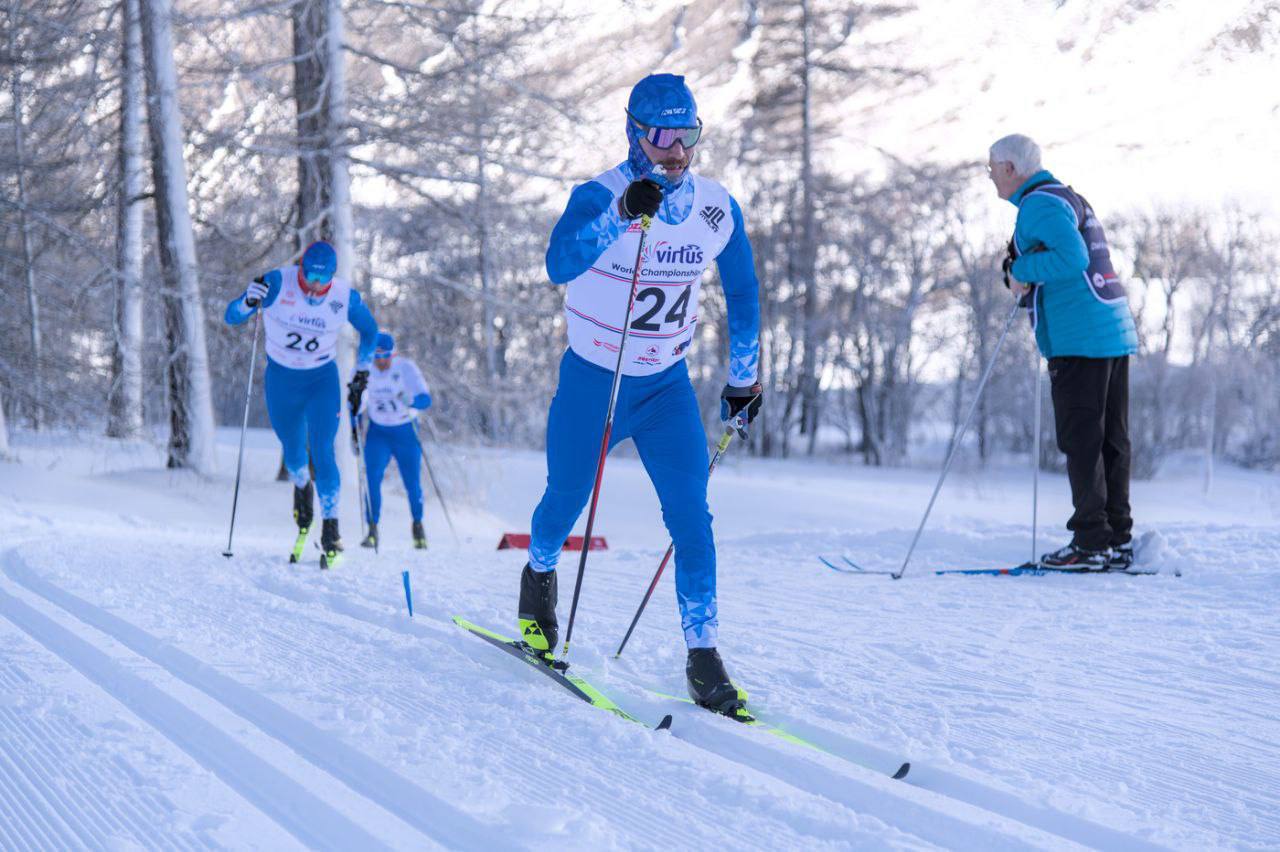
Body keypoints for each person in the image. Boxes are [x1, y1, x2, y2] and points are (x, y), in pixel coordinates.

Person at [518, 73, 763, 715]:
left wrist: (745, 376)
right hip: (593, 381)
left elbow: (743, 292)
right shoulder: (596, 195)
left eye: (689, 135)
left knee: (691, 515)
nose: (677, 150)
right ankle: (539, 575)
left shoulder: (715, 208)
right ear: (635, 134)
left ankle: (704, 656)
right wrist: (621, 217)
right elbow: (559, 264)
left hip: (665, 387)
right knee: (566, 497)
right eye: (663, 136)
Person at [988, 134, 1139, 570]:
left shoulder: (1038, 203)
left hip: (1079, 338)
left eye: (992, 167)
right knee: (1112, 439)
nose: (990, 176)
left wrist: (1018, 269)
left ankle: (1091, 544)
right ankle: (1116, 540)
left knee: (1083, 440)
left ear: (1011, 168)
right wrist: (1020, 269)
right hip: (1109, 329)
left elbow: (1070, 258)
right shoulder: (1067, 196)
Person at [224, 240, 379, 568]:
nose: (315, 287)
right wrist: (248, 300)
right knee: (295, 454)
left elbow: (371, 331)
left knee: (323, 450)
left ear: (332, 278)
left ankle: (331, 528)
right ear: (301, 271)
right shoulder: (278, 282)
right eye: (310, 278)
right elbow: (232, 315)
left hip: (321, 380)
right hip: (282, 382)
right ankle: (301, 487)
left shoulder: (342, 297)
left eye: (323, 281)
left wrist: (362, 372)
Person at [357, 332, 432, 550]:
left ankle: (418, 526)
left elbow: (426, 400)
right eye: (377, 356)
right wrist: (355, 420)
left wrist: (412, 401)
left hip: (405, 431)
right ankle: (372, 529)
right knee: (371, 478)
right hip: (378, 432)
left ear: (393, 354)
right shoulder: (365, 368)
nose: (381, 361)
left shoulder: (405, 368)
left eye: (386, 356)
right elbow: (354, 402)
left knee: (412, 482)